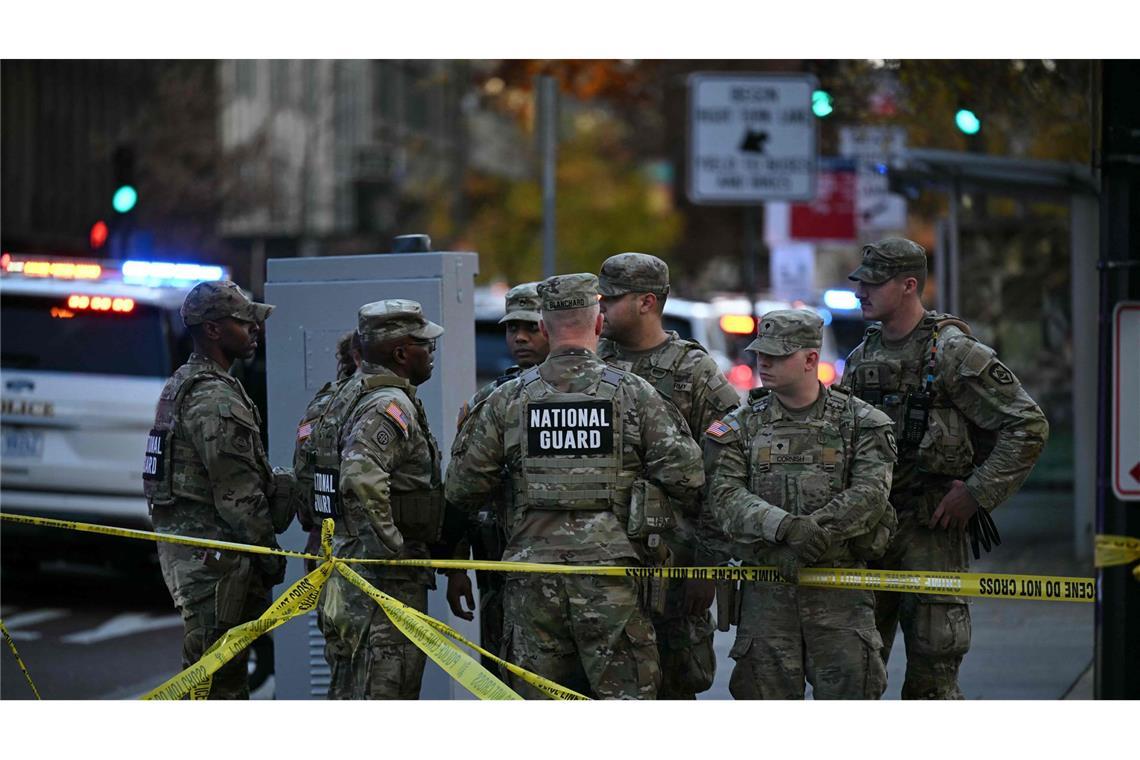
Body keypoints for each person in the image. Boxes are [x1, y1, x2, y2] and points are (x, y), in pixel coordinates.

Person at [444, 273, 705, 699]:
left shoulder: (507, 400)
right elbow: (688, 476)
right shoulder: (635, 394)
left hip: (532, 580)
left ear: (545, 328)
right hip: (612, 579)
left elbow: (462, 487)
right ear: (598, 323)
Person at [842, 237, 1050, 699]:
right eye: (861, 282)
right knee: (853, 674)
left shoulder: (953, 353)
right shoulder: (862, 357)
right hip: (868, 530)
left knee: (933, 677)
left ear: (909, 285)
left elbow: (1027, 425)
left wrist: (976, 493)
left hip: (931, 529)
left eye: (873, 283)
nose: (861, 292)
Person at [705, 309, 897, 700]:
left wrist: (814, 532)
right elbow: (725, 496)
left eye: (777, 355)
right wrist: (785, 528)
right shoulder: (740, 425)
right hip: (766, 596)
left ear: (811, 359)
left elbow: (871, 493)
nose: (764, 363)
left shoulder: (861, 422)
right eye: (761, 354)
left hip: (840, 594)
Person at [595, 252, 741, 700]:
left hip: (671, 564)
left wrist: (708, 564)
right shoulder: (592, 362)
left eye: (612, 299)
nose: (601, 308)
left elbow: (725, 472)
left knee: (675, 683)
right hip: (604, 562)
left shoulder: (693, 371)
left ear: (647, 302)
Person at [143, 280, 293, 699]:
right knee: (216, 688)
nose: (254, 330)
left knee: (215, 681)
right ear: (212, 330)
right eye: (244, 322)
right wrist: (270, 555)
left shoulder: (187, 382)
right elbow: (237, 494)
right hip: (216, 565)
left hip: (201, 557)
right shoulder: (213, 397)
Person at [313, 299, 454, 699]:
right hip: (379, 587)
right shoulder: (387, 405)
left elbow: (311, 474)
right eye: (425, 344)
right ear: (401, 353)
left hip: (347, 573)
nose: (431, 352)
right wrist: (390, 551)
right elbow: (359, 477)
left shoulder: (341, 396)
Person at [445, 282, 550, 670]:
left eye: (531, 327)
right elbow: (463, 488)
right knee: (504, 673)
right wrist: (456, 568)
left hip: (567, 570)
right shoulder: (489, 399)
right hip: (501, 567)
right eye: (511, 328)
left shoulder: (590, 392)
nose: (519, 337)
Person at [294, 330, 362, 568]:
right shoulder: (371, 401)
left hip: (321, 537)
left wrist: (312, 520)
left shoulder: (322, 403)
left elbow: (302, 468)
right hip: (359, 544)